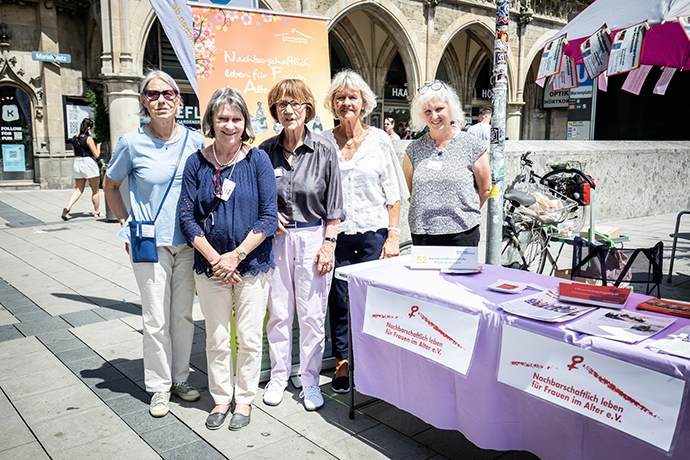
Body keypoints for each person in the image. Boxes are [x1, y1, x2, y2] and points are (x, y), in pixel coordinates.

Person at [103, 70, 205, 418]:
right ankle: (159, 387)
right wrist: (124, 223)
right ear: (143, 102)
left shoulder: (194, 141)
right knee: (155, 318)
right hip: (150, 244)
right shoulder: (131, 142)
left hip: (189, 243)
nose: (160, 99)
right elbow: (111, 186)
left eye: (167, 93)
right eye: (152, 94)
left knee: (182, 315)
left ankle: (180, 378)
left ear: (178, 99)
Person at [178, 87, 278, 431]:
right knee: (217, 337)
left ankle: (245, 399)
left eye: (236, 119)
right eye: (222, 118)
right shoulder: (197, 162)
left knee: (249, 338)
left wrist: (234, 257)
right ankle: (222, 397)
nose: (230, 125)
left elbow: (268, 216)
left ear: (245, 122)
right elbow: (186, 217)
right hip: (210, 268)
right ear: (211, 121)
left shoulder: (258, 160)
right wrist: (216, 259)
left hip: (251, 265)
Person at [259, 79, 344, 411]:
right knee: (279, 313)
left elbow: (335, 204)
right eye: (282, 105)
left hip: (313, 236)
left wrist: (329, 245)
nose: (289, 110)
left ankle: (309, 380)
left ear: (308, 108)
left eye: (295, 104)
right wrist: (267, 217)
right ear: (274, 111)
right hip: (277, 239)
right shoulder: (265, 152)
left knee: (311, 315)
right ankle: (280, 375)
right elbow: (257, 198)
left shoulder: (324, 149)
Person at [322, 69, 409, 393]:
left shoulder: (380, 140)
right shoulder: (323, 141)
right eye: (341, 97)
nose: (346, 103)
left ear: (364, 103)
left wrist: (393, 236)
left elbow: (394, 193)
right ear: (334, 103)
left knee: (374, 300)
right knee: (340, 301)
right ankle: (343, 362)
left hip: (374, 232)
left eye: (352, 97)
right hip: (338, 234)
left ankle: (375, 363)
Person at [403, 81, 492, 247]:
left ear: (450, 109)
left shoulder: (472, 146)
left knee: (461, 275)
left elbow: (485, 188)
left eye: (439, 109)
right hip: (423, 233)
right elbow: (409, 191)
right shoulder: (414, 149)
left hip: (463, 233)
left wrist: (464, 212)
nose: (434, 116)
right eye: (427, 111)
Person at [62, 118, 103, 220]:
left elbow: (75, 153)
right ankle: (97, 212)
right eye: (91, 128)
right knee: (95, 190)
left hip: (77, 163)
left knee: (78, 189)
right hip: (88, 163)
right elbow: (96, 155)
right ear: (89, 127)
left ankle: (68, 208)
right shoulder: (88, 139)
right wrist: (98, 147)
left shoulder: (74, 138)